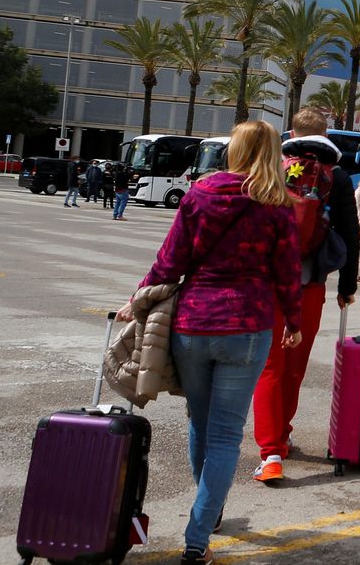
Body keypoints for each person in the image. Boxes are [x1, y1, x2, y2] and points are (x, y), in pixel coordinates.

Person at [118, 120, 303, 565]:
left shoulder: (200, 194)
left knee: (200, 424)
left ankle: (210, 512)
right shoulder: (278, 204)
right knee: (224, 435)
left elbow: (170, 259)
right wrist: (293, 319)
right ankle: (198, 536)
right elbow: (287, 272)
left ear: (233, 151)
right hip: (247, 324)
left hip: (193, 324)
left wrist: (136, 300)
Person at [251, 109, 359, 483]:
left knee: (270, 366)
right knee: (295, 365)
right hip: (310, 285)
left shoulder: (274, 168)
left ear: (292, 132)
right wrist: (348, 285)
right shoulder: (338, 176)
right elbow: (349, 233)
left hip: (267, 284)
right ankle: (283, 433)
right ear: (326, 133)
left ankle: (271, 453)